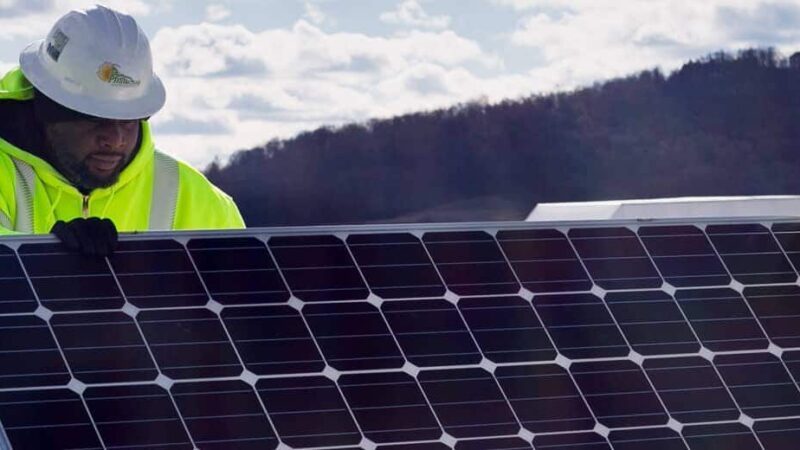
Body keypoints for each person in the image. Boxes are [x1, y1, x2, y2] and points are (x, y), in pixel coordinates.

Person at [0, 5, 244, 256]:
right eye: (95, 118)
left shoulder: (197, 199)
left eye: (128, 119)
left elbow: (245, 274)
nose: (115, 139)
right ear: (49, 111)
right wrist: (42, 254)